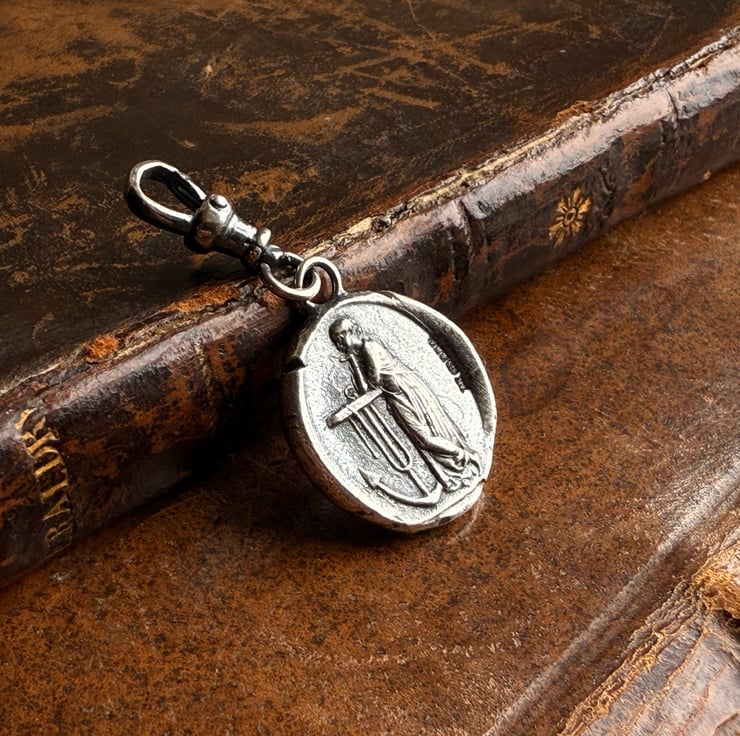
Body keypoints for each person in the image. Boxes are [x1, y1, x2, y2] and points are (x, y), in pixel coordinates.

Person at [329, 317, 476, 486]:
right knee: (421, 439)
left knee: (424, 439)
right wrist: (353, 362)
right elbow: (364, 389)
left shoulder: (370, 347)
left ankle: (463, 455)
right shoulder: (360, 355)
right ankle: (453, 464)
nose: (339, 346)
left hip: (406, 390)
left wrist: (359, 367)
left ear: (348, 334)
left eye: (339, 340)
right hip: (395, 396)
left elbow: (374, 381)